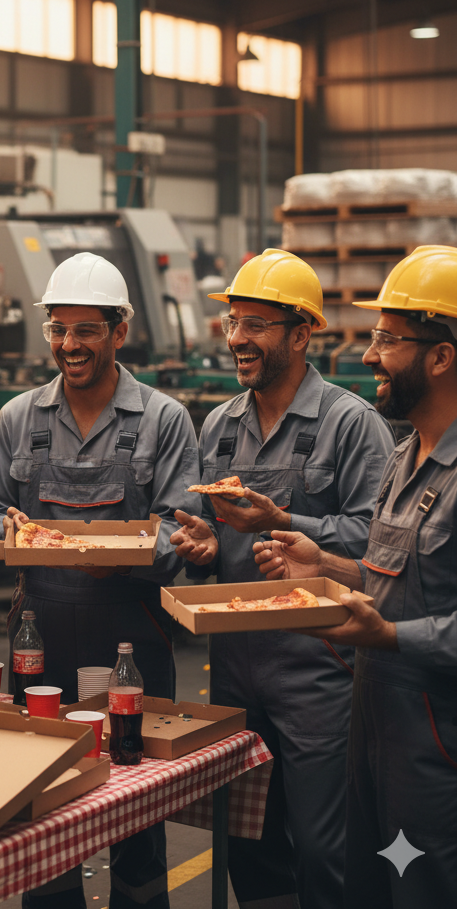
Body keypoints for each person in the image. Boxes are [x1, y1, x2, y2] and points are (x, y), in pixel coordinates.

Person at [0, 252, 213, 909]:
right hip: (40, 633)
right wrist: (8, 530)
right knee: (43, 802)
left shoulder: (163, 419)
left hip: (131, 632)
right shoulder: (18, 418)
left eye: (85, 329)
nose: (69, 344)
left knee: (138, 805)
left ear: (119, 332)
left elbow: (181, 527)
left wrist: (127, 556)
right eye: (58, 329)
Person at [172, 249, 395, 909]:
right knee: (248, 837)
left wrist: (288, 522)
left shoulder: (351, 424)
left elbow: (379, 542)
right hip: (235, 662)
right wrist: (205, 548)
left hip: (319, 666)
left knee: (326, 847)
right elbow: (215, 539)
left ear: (301, 335)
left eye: (256, 325)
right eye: (233, 323)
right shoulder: (220, 426)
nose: (237, 338)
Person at [255, 246, 457, 908]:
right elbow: (388, 576)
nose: (369, 356)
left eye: (387, 340)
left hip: (437, 750)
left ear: (441, 356)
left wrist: (391, 636)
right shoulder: (404, 457)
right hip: (375, 733)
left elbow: (403, 617)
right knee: (367, 889)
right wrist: (325, 565)